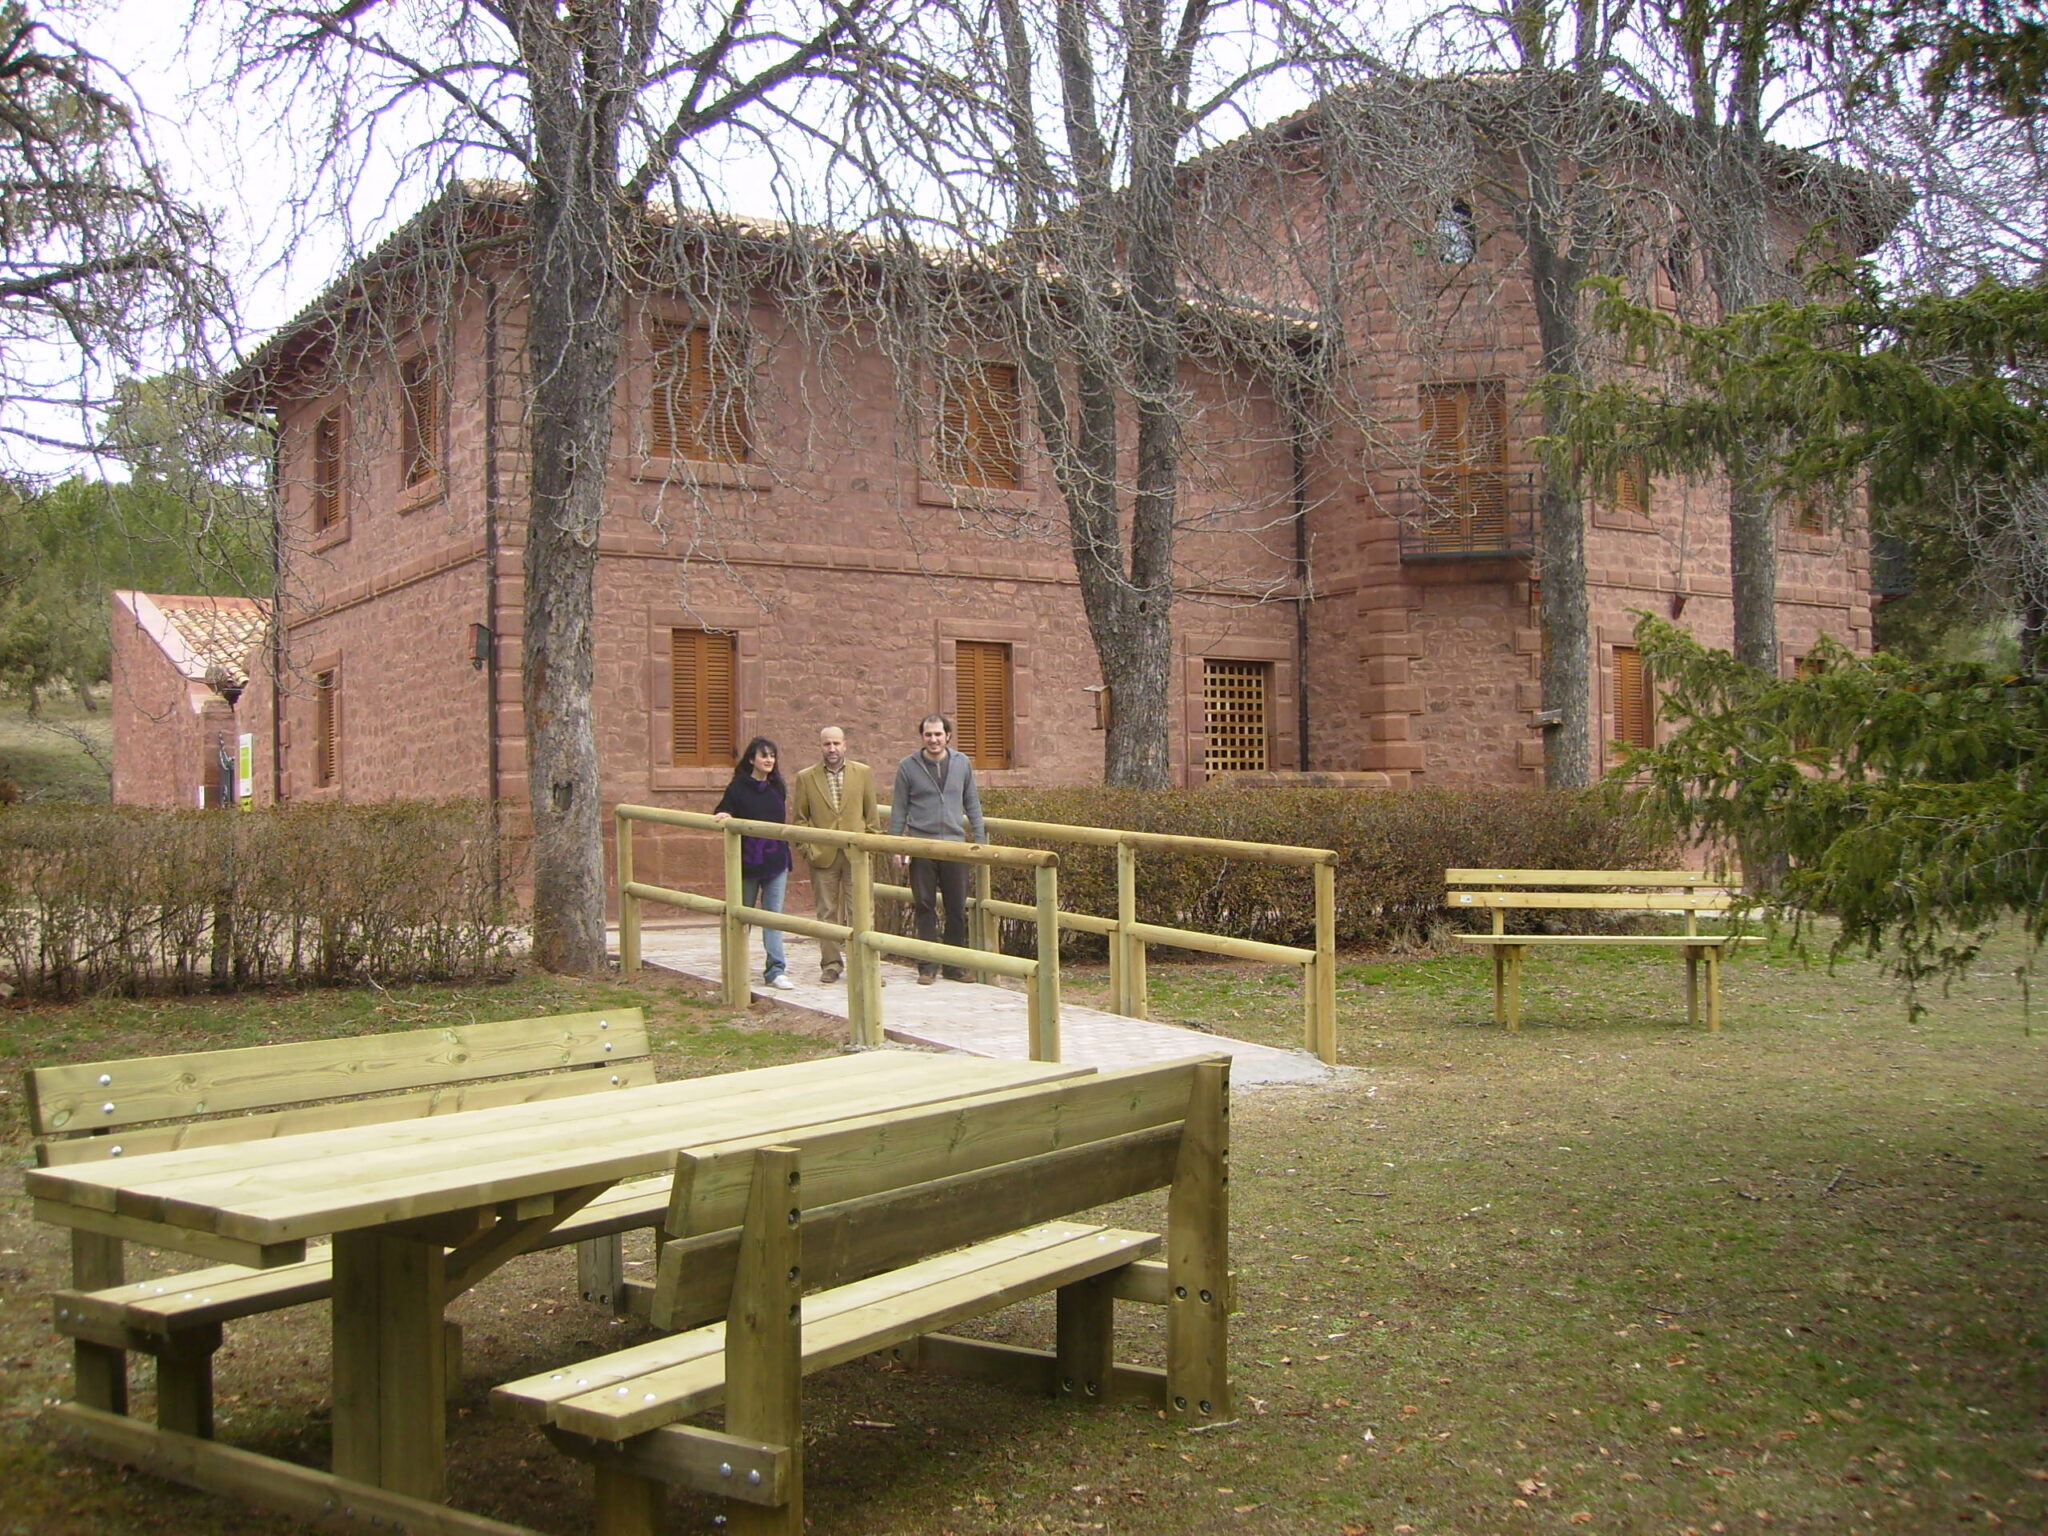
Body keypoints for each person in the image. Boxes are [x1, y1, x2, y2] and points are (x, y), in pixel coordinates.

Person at [888, 713, 985, 985]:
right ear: (922, 737)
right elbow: (899, 809)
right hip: (922, 845)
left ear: (948, 736)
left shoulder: (962, 763)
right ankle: (927, 966)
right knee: (924, 905)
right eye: (928, 735)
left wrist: (981, 841)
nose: (933, 739)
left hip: (954, 846)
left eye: (938, 734)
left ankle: (954, 966)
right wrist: (895, 845)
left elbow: (972, 804)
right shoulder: (907, 767)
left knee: (956, 907)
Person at [789, 724, 878, 983]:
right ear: (820, 746)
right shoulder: (806, 778)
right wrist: (808, 849)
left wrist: (869, 846)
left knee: (862, 910)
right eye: (827, 744)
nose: (832, 749)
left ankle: (865, 965)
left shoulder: (863, 773)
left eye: (836, 743)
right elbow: (800, 820)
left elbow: (871, 817)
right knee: (827, 911)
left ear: (845, 745)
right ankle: (831, 964)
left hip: (857, 855)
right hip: (823, 855)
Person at [713, 736, 796, 991]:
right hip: (748, 863)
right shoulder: (738, 788)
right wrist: (724, 816)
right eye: (764, 755)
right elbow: (722, 811)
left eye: (772, 755)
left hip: (776, 860)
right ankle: (735, 965)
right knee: (742, 915)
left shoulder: (777, 787)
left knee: (773, 917)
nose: (769, 760)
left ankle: (775, 969)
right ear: (752, 759)